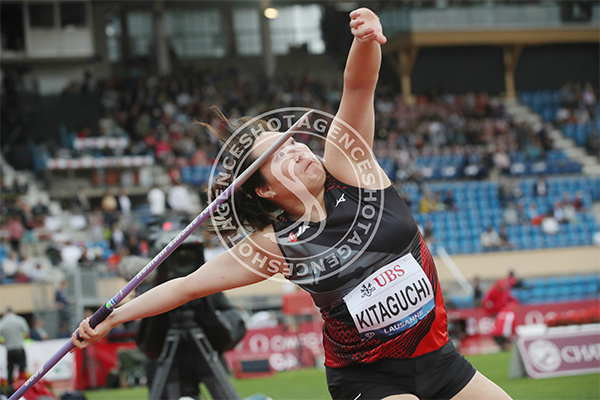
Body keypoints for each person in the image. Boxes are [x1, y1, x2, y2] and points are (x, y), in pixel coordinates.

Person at [73, 8, 511, 400]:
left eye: (292, 142)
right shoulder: (277, 245)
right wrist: (114, 316)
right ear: (264, 190)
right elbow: (185, 286)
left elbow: (358, 88)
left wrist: (365, 39)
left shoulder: (352, 171)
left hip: (439, 360)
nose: (298, 150)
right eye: (278, 156)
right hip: (368, 378)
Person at [0, 307, 30, 386]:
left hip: (9, 350)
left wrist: (4, 343)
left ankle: (11, 389)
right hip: (19, 348)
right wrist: (21, 339)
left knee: (10, 371)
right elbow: (27, 334)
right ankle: (24, 387)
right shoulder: (20, 320)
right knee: (22, 369)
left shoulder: (2, 322)